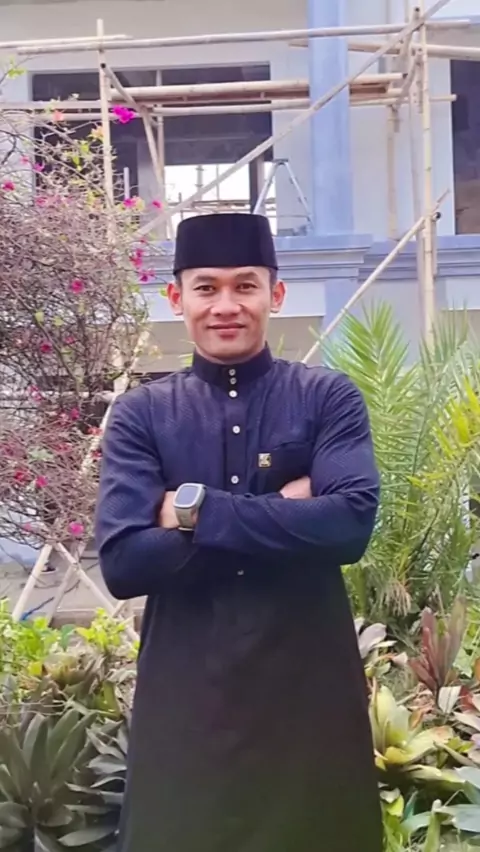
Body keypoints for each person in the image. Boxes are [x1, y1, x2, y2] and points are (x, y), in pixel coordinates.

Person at [95, 212, 383, 852]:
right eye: (206, 287)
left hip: (307, 693)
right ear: (176, 298)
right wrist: (287, 508)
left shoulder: (327, 399)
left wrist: (194, 513)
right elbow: (124, 563)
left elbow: (348, 527)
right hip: (185, 697)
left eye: (245, 285)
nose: (226, 305)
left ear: (274, 294)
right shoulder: (143, 415)